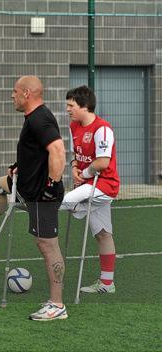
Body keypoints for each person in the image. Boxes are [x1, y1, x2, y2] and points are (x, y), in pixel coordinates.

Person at [0, 76, 67, 320]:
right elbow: (38, 152)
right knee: (43, 243)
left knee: (48, 245)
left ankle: (57, 305)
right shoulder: (34, 119)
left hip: (43, 196)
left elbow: (57, 151)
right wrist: (20, 166)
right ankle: (55, 302)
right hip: (34, 192)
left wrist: (51, 186)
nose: (11, 96)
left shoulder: (39, 119)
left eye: (14, 91)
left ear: (27, 93)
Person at [62, 85, 120, 294]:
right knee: (103, 234)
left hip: (104, 185)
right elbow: (75, 154)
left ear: (85, 106)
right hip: (88, 184)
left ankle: (34, 209)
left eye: (71, 105)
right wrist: (75, 167)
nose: (67, 109)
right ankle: (107, 284)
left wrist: (84, 173)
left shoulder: (102, 128)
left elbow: (103, 162)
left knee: (65, 201)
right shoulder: (74, 126)